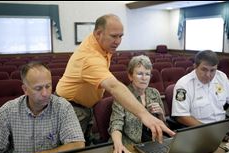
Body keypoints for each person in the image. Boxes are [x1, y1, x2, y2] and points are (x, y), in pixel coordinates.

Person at [55, 14, 175, 144]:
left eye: (120, 36)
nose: (118, 41)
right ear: (98, 33)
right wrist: (145, 115)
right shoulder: (89, 57)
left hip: (85, 106)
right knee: (71, 150)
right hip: (71, 107)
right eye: (114, 36)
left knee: (83, 145)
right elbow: (113, 87)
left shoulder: (101, 43)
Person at [0, 61, 85, 153]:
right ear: (25, 89)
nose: (45, 93)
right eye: (38, 88)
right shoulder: (7, 111)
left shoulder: (62, 107)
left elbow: (77, 144)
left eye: (48, 86)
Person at [108, 55, 169, 153]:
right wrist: (118, 145)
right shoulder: (122, 96)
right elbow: (115, 125)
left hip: (153, 142)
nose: (144, 78)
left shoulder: (154, 93)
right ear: (130, 76)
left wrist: (161, 115)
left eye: (147, 74)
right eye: (140, 74)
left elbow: (163, 124)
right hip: (131, 144)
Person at [172, 50, 229, 126]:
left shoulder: (221, 77)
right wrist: (210, 131)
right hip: (198, 130)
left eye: (212, 70)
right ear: (195, 66)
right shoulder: (184, 85)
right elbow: (181, 116)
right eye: (204, 70)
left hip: (223, 128)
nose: (208, 75)